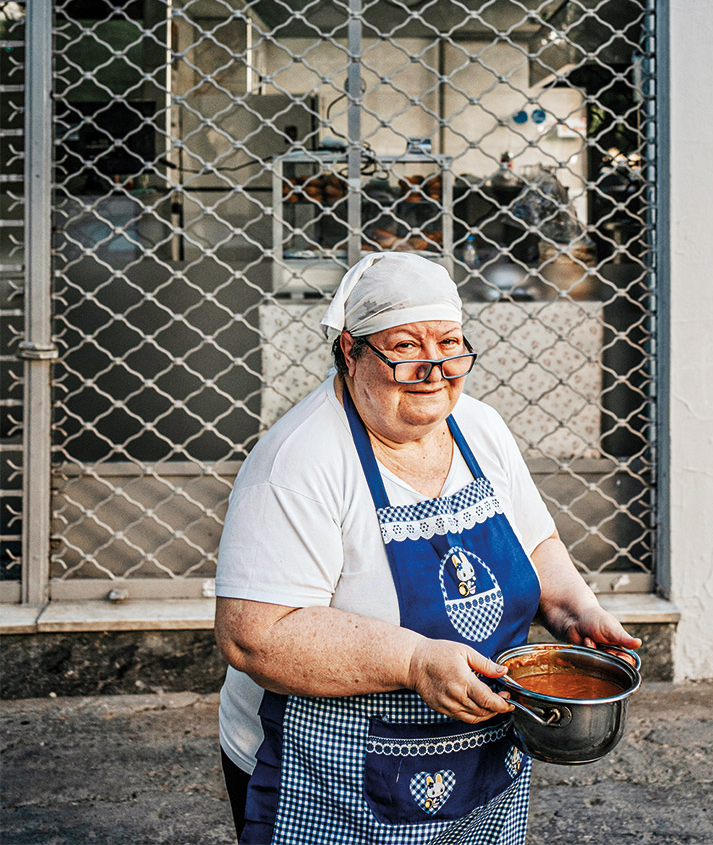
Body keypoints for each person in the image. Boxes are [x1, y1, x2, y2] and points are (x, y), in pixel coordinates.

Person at [215, 252, 640, 844]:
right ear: (350, 350)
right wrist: (415, 662)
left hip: (480, 762)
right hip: (329, 779)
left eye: (450, 344)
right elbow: (254, 636)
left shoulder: (480, 427)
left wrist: (576, 610)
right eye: (405, 347)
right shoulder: (299, 462)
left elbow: (534, 540)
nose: (434, 369)